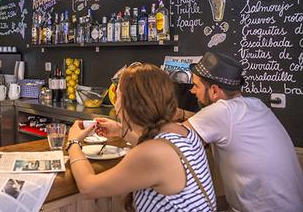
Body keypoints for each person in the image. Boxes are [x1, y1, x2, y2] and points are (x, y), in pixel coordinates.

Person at [98, 52, 303, 212]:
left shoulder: (221, 112)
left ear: (214, 91)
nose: (192, 91)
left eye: (196, 85)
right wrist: (179, 113)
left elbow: (165, 143)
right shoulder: (252, 104)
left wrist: (122, 130)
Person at [67, 63, 216, 212]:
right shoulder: (184, 132)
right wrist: (121, 131)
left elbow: (88, 187)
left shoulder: (153, 154)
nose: (116, 102)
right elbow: (156, 148)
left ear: (131, 103)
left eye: (118, 95)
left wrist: (73, 142)